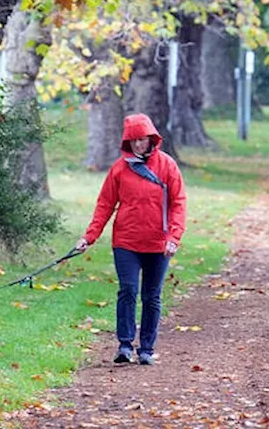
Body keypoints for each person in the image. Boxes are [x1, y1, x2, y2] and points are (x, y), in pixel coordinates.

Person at [76, 112, 186, 366]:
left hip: (159, 242)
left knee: (151, 295)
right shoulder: (119, 169)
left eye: (143, 139)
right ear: (128, 141)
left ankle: (146, 348)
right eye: (134, 140)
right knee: (128, 290)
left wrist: (174, 236)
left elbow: (179, 203)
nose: (139, 144)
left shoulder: (167, 165)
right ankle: (125, 345)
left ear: (151, 139)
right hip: (126, 242)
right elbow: (105, 204)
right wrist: (89, 236)